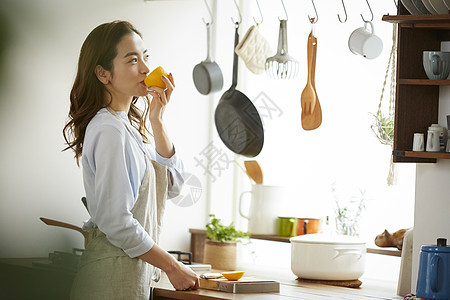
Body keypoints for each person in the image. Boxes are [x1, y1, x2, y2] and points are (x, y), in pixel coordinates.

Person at [63, 20, 199, 299]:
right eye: (133, 60)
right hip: (107, 281)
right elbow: (116, 221)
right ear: (103, 74)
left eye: (145, 57)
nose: (146, 69)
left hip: (125, 277)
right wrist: (173, 267)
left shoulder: (125, 129)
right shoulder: (108, 129)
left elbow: (174, 186)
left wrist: (158, 122)